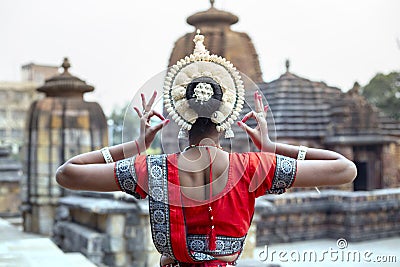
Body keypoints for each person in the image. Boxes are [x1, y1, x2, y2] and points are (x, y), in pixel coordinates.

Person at [56, 32, 357, 267]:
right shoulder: (254, 167)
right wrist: (271, 146)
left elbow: (68, 173)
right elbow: (345, 167)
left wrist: (136, 145)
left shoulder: (153, 170)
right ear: (226, 122)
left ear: (182, 122)